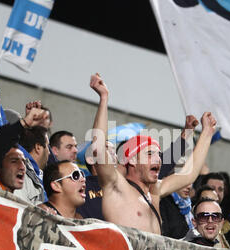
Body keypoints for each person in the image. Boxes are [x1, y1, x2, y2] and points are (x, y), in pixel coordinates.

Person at [89, 73, 217, 235]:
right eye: (150, 154)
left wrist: (207, 133)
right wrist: (104, 98)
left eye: (158, 154)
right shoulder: (116, 185)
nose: (158, 159)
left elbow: (189, 174)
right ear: (132, 160)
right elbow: (99, 148)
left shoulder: (155, 190)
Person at [0, 106, 46, 192]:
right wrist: (23, 123)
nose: (22, 167)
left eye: (24, 162)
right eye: (14, 161)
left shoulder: (20, 203)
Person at [14, 126, 50, 205]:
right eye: (47, 146)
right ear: (38, 147)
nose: (49, 153)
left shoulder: (32, 175)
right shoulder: (22, 174)